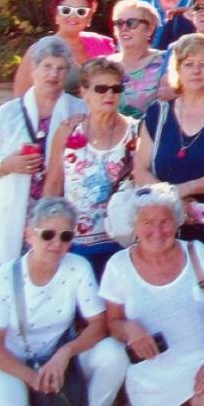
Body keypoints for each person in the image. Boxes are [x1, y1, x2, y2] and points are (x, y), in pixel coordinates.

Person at [101, 184, 204, 406]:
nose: (157, 231)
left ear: (177, 222)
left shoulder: (195, 252)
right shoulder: (118, 265)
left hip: (201, 361)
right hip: (152, 377)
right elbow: (113, 323)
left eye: (165, 221)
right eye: (148, 223)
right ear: (135, 225)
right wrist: (131, 330)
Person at [0, 199, 127, 406]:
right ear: (29, 235)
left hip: (58, 353)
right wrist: (32, 378)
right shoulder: (3, 278)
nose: (56, 243)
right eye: (47, 234)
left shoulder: (77, 268)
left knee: (114, 355)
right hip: (12, 357)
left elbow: (98, 324)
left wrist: (65, 353)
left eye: (66, 236)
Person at [0, 36, 86, 266]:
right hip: (17, 212)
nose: (52, 74)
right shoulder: (8, 114)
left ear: (67, 74)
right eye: (46, 66)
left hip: (62, 211)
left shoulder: (79, 111)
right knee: (13, 277)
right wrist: (7, 164)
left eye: (60, 68)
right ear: (33, 69)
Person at [134, 33, 204, 253]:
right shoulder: (157, 113)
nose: (196, 71)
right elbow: (140, 171)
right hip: (162, 227)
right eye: (188, 64)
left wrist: (184, 190)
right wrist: (172, 201)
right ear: (177, 70)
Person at [42, 58, 138, 278]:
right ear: (84, 92)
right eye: (101, 89)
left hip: (121, 241)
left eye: (116, 88)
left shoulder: (136, 131)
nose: (109, 95)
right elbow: (54, 185)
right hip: (76, 244)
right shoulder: (67, 131)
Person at [14, 0, 116, 96]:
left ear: (89, 18)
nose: (73, 16)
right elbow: (20, 98)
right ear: (56, 15)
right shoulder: (39, 50)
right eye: (66, 10)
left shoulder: (101, 45)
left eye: (81, 12)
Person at [108, 0, 164, 120]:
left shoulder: (166, 62)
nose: (124, 28)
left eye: (131, 23)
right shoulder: (104, 66)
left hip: (153, 134)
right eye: (119, 23)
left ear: (150, 28)